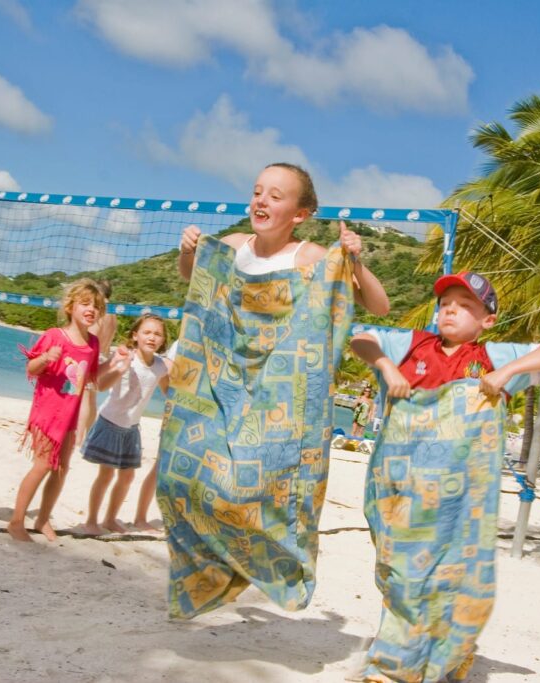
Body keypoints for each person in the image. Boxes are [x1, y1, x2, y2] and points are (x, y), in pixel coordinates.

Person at [159, 162, 390, 618]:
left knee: (255, 487)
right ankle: (212, 570)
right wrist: (188, 251)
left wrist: (354, 259)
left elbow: (378, 304)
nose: (262, 200)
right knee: (175, 480)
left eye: (276, 195)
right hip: (218, 376)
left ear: (300, 214)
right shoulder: (228, 247)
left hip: (277, 390)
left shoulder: (309, 257)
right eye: (257, 191)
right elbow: (192, 280)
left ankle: (267, 566)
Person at [349, 271, 540, 682]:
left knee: (447, 573)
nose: (451, 310)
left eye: (465, 305)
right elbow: (360, 339)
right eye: (446, 303)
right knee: (397, 572)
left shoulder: (493, 358)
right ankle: (440, 652)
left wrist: (507, 374)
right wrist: (386, 365)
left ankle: (392, 670)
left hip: (457, 500)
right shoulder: (412, 344)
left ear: (487, 320)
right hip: (398, 486)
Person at [8, 279, 128, 542]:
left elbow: (92, 379)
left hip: (70, 418)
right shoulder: (54, 336)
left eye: (96, 306)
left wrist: (117, 364)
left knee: (61, 469)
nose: (91, 310)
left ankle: (42, 520)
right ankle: (17, 521)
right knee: (41, 466)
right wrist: (44, 359)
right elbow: (31, 370)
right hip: (47, 414)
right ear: (70, 306)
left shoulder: (93, 344)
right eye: (85, 304)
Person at [81, 313, 169, 535]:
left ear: (163, 340)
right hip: (110, 423)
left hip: (132, 429)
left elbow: (169, 391)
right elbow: (101, 385)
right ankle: (91, 520)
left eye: (157, 334)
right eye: (147, 332)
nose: (152, 337)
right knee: (106, 475)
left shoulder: (160, 366)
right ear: (135, 335)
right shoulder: (126, 357)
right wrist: (121, 367)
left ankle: (110, 519)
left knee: (127, 476)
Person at [75, 279, 117, 440]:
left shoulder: (100, 309)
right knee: (91, 398)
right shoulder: (114, 313)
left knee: (84, 397)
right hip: (103, 356)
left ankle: (79, 438)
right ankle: (88, 435)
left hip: (91, 354)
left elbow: (91, 334)